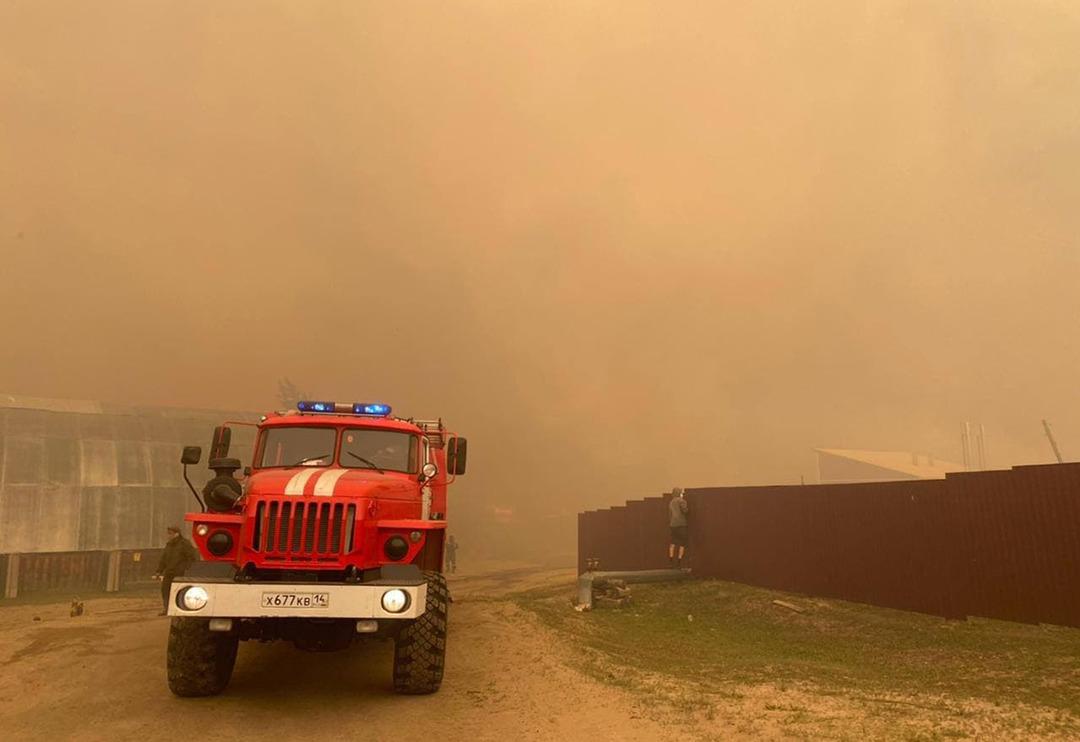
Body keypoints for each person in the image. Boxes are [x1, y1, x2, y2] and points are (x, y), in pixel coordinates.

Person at [154, 526, 197, 616]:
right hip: (169, 572)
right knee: (165, 590)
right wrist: (159, 571)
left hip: (180, 573)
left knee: (178, 591)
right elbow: (164, 559)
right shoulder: (169, 545)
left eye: (170, 533)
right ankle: (167, 609)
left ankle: (179, 609)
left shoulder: (185, 544)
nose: (168, 536)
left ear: (177, 534)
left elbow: (192, 558)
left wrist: (187, 569)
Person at [668, 487, 689, 569]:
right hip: (681, 524)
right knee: (682, 543)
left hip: (673, 524)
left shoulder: (671, 502)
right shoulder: (682, 501)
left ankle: (671, 561)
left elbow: (669, 514)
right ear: (679, 493)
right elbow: (685, 511)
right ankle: (679, 562)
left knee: (672, 543)